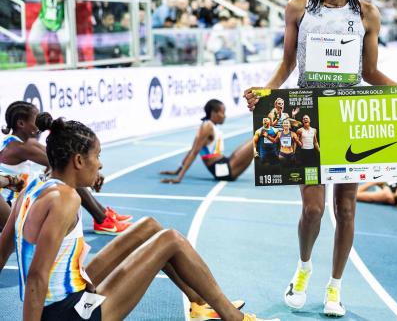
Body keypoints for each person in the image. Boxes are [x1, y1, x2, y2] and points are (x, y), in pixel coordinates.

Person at [243, 0, 397, 317]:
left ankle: (335, 287)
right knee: (312, 210)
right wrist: (266, 92)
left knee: (346, 209)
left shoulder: (367, 14)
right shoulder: (298, 7)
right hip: (307, 113)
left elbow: (370, 73)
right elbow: (287, 64)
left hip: (347, 113)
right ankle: (302, 270)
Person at [0, 115, 277, 321]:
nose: (101, 163)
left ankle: (197, 303)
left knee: (150, 228)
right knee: (171, 240)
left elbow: (1, 255)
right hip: (70, 314)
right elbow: (36, 277)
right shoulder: (66, 199)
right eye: (97, 155)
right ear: (78, 161)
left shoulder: (32, 188)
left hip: (71, 291)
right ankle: (233, 317)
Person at [0, 101, 131, 235]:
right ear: (21, 124)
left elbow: (54, 158)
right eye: (35, 119)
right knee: (69, 173)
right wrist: (93, 173)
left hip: (16, 200)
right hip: (9, 208)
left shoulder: (21, 142)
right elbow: (61, 162)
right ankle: (102, 220)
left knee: (65, 172)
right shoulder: (20, 147)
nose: (39, 123)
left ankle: (103, 215)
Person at [160, 99, 254, 184]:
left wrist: (177, 171)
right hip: (225, 169)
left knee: (258, 141)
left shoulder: (209, 126)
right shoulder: (207, 127)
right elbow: (194, 152)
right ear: (213, 113)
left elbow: (192, 150)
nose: (225, 116)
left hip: (226, 164)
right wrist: (179, 178)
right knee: (258, 138)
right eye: (222, 112)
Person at [29, 0, 76, 65]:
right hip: (44, 18)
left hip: (62, 21)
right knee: (32, 41)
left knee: (66, 46)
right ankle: (42, 66)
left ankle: (70, 68)